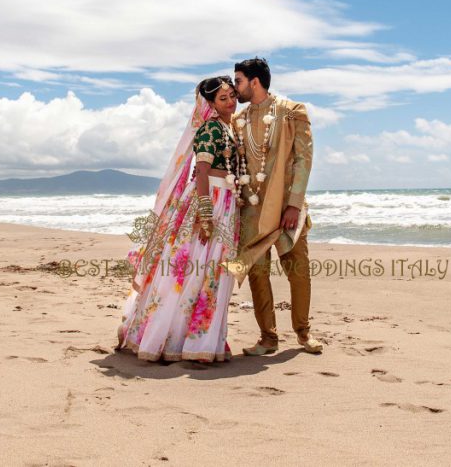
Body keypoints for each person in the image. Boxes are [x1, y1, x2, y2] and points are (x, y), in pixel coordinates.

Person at [116, 77, 242, 363]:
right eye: (223, 98)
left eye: (233, 95)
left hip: (225, 202)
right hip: (208, 201)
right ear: (210, 104)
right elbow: (202, 172)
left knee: (211, 273)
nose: (231, 102)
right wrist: (206, 214)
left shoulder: (227, 127)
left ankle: (199, 341)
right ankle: (184, 341)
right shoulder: (210, 128)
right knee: (195, 271)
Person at [231, 57, 323, 355]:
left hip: (287, 209)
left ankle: (303, 333)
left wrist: (294, 205)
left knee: (298, 270)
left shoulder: (292, 111)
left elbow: (303, 159)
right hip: (253, 212)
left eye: (239, 81)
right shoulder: (238, 120)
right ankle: (268, 338)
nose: (236, 88)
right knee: (257, 273)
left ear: (254, 82)